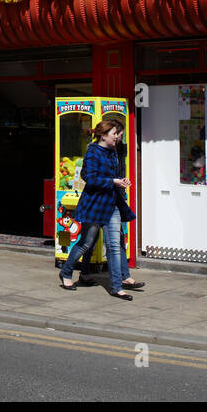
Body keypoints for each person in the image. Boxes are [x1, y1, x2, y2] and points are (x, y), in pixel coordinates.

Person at [58, 119, 142, 299]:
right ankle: (66, 273)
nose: (117, 138)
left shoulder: (112, 151)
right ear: (103, 135)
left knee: (114, 245)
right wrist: (112, 181)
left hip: (111, 204)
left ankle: (116, 287)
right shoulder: (93, 152)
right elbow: (89, 177)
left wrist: (121, 181)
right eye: (114, 135)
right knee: (86, 243)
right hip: (95, 204)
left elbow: (114, 175)